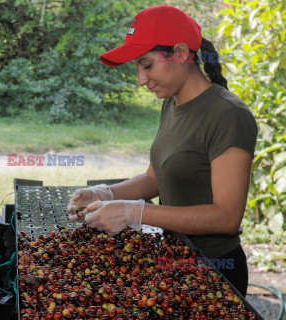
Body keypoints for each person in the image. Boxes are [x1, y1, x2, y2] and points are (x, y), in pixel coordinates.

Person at [67, 4, 257, 297]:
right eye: (137, 68)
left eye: (147, 65)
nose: (141, 80)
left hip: (214, 269)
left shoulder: (228, 115)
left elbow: (226, 216)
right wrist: (106, 194)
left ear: (181, 54)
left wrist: (136, 212)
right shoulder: (172, 102)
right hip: (173, 258)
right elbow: (155, 179)